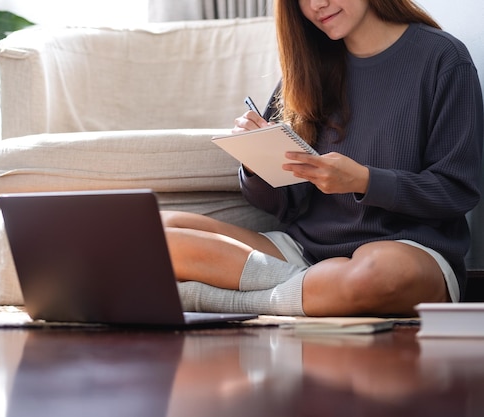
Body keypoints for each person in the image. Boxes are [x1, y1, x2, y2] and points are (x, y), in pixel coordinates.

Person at [162, 0, 483, 317]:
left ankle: (219, 300)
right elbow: (285, 204)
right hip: (303, 251)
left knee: (372, 276)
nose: (318, 4)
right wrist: (256, 161)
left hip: (403, 251)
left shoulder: (443, 58)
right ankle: (314, 291)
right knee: (155, 229)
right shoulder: (310, 62)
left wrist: (364, 181)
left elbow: (456, 191)